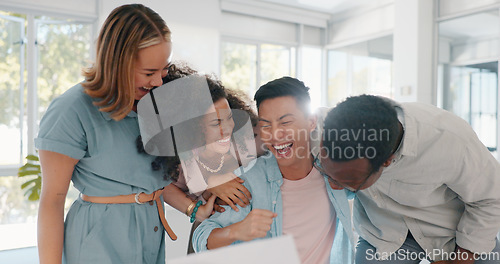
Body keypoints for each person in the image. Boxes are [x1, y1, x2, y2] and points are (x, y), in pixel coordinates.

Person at [34, 5, 214, 264]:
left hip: (151, 235)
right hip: (99, 241)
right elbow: (52, 200)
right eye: (149, 72)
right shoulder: (71, 111)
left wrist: (192, 209)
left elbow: (151, 184)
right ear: (117, 64)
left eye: (163, 69)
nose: (159, 82)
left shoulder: (154, 104)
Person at [317, 94, 500, 263]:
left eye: (348, 182)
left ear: (387, 161)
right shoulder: (316, 128)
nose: (334, 186)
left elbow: (491, 199)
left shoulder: (450, 140)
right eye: (327, 172)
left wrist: (462, 259)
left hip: (453, 232)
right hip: (383, 233)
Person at [192, 77, 355, 264]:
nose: (276, 134)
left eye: (285, 122)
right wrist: (237, 230)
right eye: (266, 125)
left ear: (311, 122)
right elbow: (200, 239)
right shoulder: (250, 181)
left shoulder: (334, 170)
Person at [136, 63, 257, 254]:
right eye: (216, 123)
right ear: (193, 128)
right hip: (209, 232)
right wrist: (202, 199)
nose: (227, 128)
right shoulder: (178, 163)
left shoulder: (244, 142)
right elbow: (163, 188)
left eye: (229, 117)